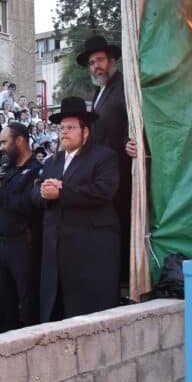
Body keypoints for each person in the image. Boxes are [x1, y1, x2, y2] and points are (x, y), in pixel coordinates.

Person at [32, 97, 120, 321]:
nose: (64, 132)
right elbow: (35, 192)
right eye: (61, 128)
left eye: (70, 128)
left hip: (88, 257)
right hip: (56, 259)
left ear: (86, 132)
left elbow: (103, 191)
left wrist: (63, 192)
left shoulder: (103, 157)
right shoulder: (52, 161)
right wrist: (43, 193)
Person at [76, 36, 136, 292]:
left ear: (112, 60)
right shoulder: (99, 89)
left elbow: (133, 121)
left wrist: (128, 141)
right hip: (102, 169)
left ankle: (125, 276)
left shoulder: (125, 86)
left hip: (122, 169)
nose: (95, 67)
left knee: (122, 220)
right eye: (91, 63)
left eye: (99, 60)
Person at [0, 122, 42, 332]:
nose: (1, 147)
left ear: (20, 140)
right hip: (0, 246)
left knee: (28, 304)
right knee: (2, 306)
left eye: (4, 142)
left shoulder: (36, 170)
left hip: (23, 245)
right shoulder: (6, 171)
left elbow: (29, 206)